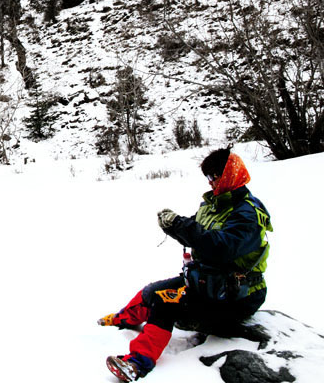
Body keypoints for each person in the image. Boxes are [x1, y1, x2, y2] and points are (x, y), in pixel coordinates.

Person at [100, 148, 272, 381]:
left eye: (215, 176)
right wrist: (173, 225)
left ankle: (137, 363)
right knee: (151, 291)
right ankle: (122, 319)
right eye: (208, 178)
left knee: (165, 303)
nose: (211, 183)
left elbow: (221, 247)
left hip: (237, 296)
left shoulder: (248, 213)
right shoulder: (213, 205)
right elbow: (196, 232)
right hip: (208, 281)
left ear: (231, 174)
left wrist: (180, 225)